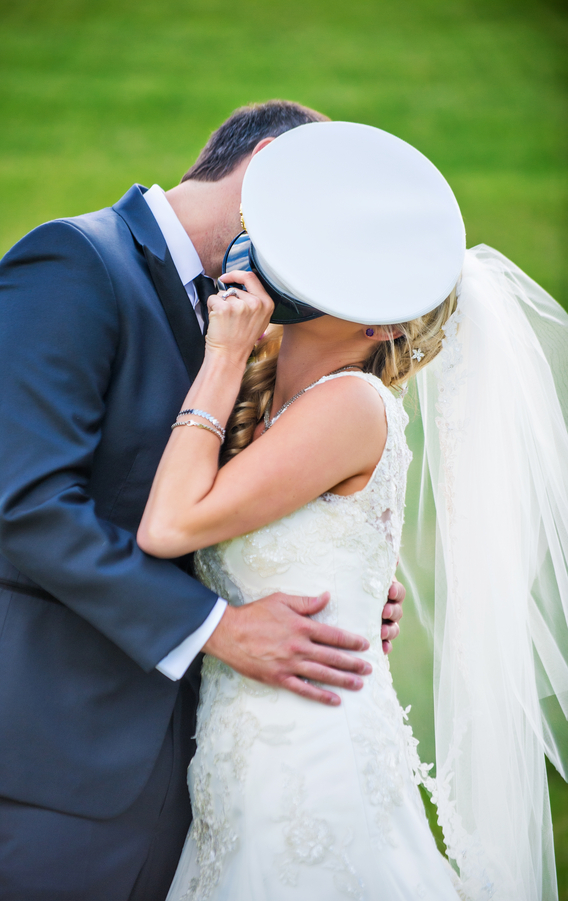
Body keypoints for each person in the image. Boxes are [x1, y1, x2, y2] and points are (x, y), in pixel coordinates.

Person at [0, 102, 406, 901]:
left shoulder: (250, 319)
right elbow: (31, 507)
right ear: (269, 166)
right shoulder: (71, 262)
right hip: (52, 759)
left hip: (201, 775)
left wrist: (336, 579)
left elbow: (229, 494)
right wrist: (225, 626)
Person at [138, 122, 568, 900]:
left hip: (312, 767)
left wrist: (226, 353)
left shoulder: (352, 405)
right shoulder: (276, 398)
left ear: (387, 322)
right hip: (243, 773)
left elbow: (168, 526)